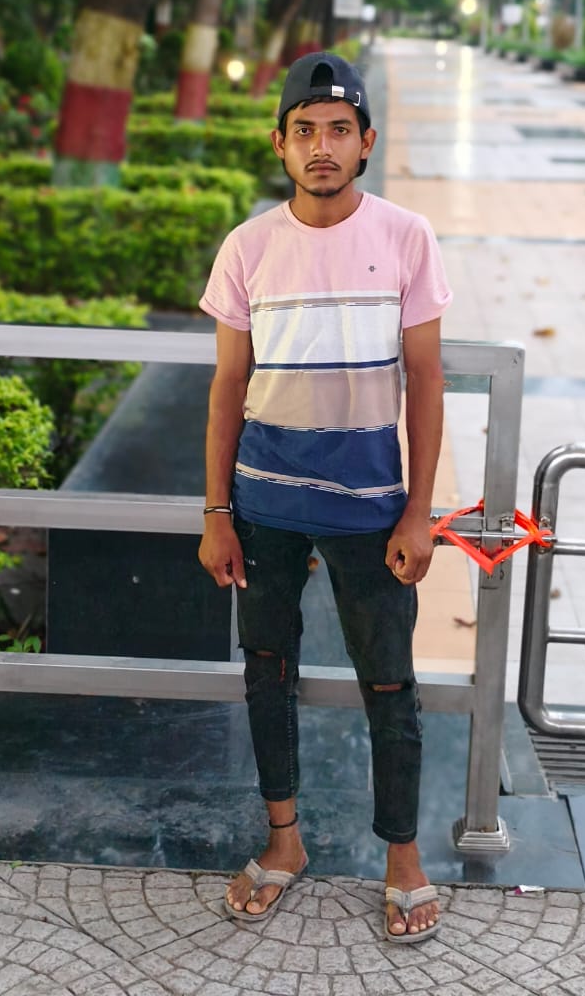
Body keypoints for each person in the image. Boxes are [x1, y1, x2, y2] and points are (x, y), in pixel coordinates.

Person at [198, 51, 451, 943]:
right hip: (263, 503)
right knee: (266, 670)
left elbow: (426, 380)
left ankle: (404, 859)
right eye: (304, 130)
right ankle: (284, 842)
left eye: (339, 130)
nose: (322, 146)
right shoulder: (248, 246)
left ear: (366, 142)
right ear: (279, 143)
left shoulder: (407, 237)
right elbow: (228, 389)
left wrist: (419, 511)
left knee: (390, 682)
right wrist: (216, 514)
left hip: (372, 507)